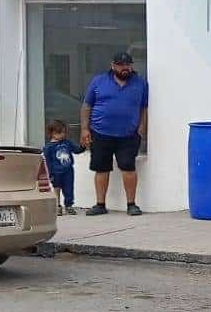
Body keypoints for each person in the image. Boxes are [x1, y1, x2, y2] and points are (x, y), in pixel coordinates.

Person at [81, 52, 149, 217]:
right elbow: (86, 106)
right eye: (120, 65)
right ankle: (100, 204)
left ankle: (131, 204)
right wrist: (84, 129)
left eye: (127, 65)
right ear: (113, 65)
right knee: (101, 168)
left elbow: (144, 107)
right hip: (100, 133)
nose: (125, 68)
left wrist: (142, 127)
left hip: (128, 135)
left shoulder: (141, 83)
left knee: (128, 167)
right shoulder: (99, 81)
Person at [43, 119, 85, 216]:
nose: (63, 135)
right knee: (56, 189)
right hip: (56, 172)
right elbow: (48, 162)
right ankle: (57, 206)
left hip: (68, 171)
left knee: (69, 189)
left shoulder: (67, 143)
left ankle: (69, 206)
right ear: (52, 133)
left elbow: (77, 150)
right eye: (60, 132)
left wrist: (83, 146)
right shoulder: (48, 147)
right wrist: (50, 174)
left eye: (64, 132)